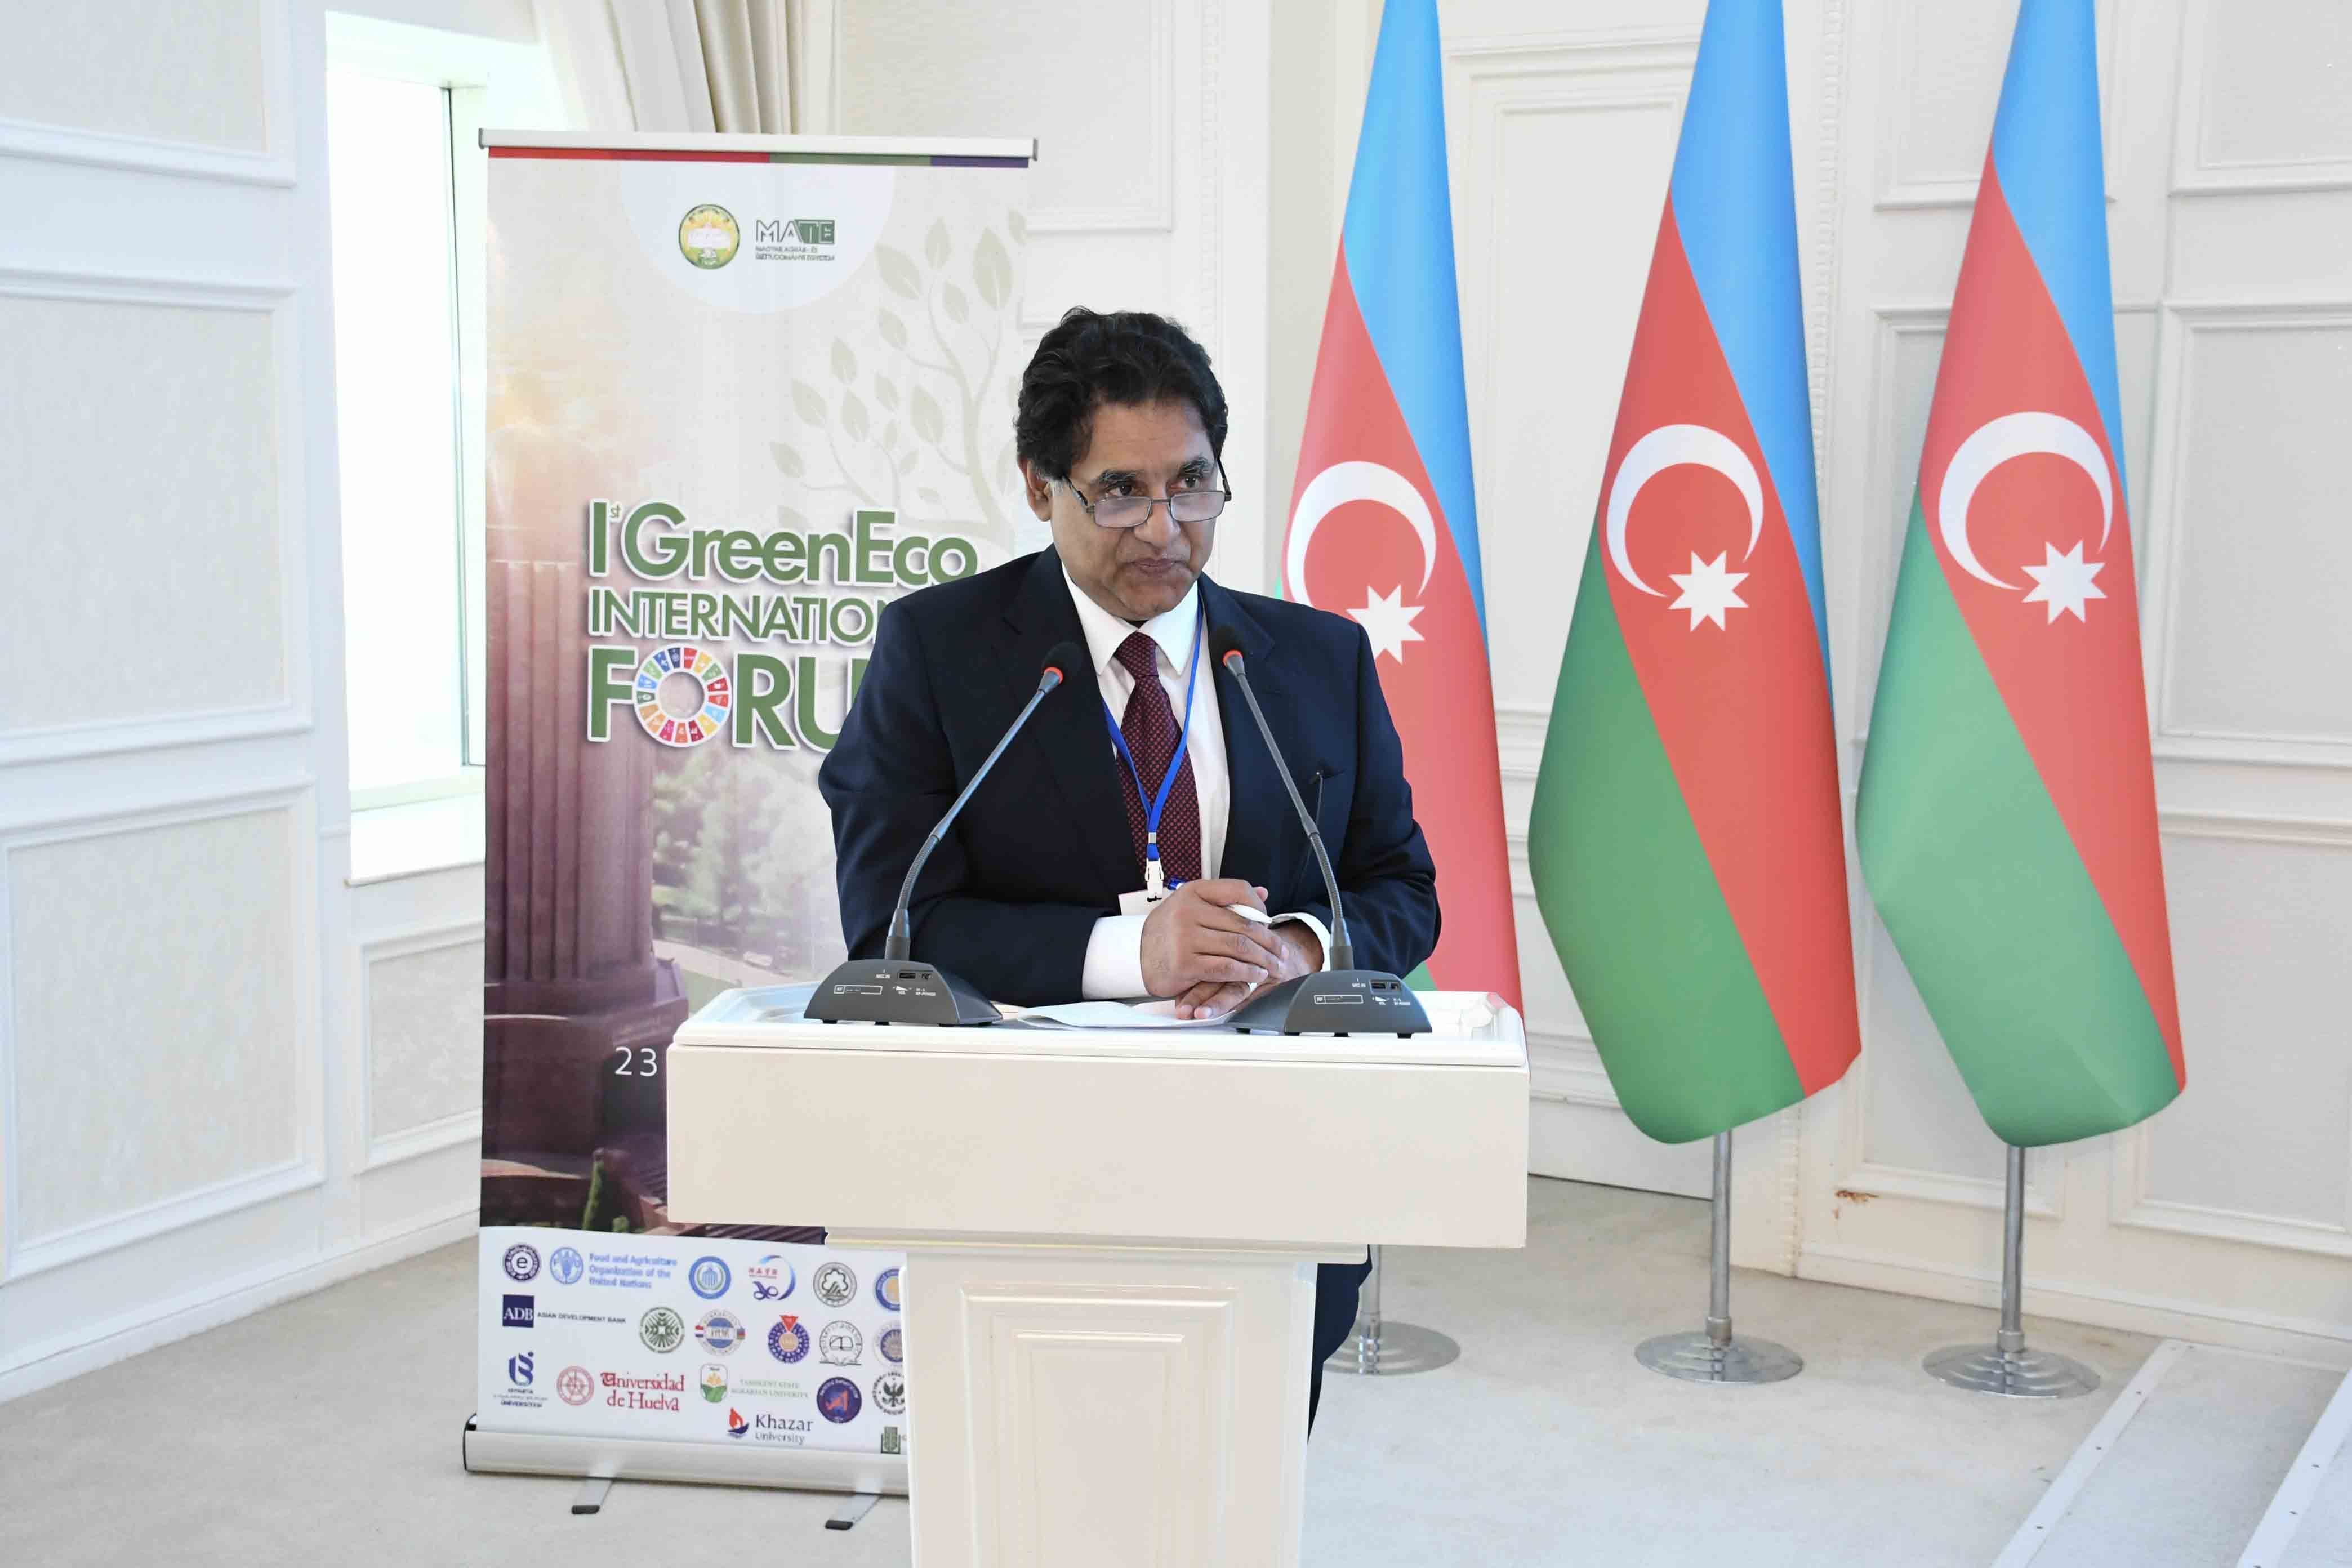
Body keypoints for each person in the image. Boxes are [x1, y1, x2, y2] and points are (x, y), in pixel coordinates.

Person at [817, 306, 1440, 1426]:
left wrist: (1294, 949)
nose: (1165, 528)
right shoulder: (939, 653)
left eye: (1192, 484)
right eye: (1119, 492)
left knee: (1246, 1466)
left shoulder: (1317, 658)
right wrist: (1130, 954)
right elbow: (893, 927)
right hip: (1024, 1168)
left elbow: (1401, 887)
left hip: (1276, 1166)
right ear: (1038, 485)